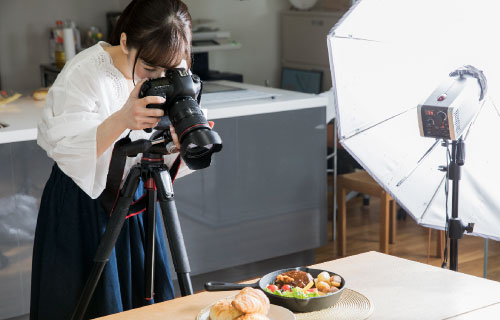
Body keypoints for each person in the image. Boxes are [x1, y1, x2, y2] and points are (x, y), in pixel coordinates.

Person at [30, 0, 196, 318]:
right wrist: (121, 120)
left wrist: (178, 143)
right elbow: (64, 149)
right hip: (84, 208)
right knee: (89, 305)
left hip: (137, 202)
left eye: (171, 69)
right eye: (150, 68)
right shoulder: (84, 73)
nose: (159, 77)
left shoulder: (167, 68)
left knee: (146, 304)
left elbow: (159, 150)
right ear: (124, 41)